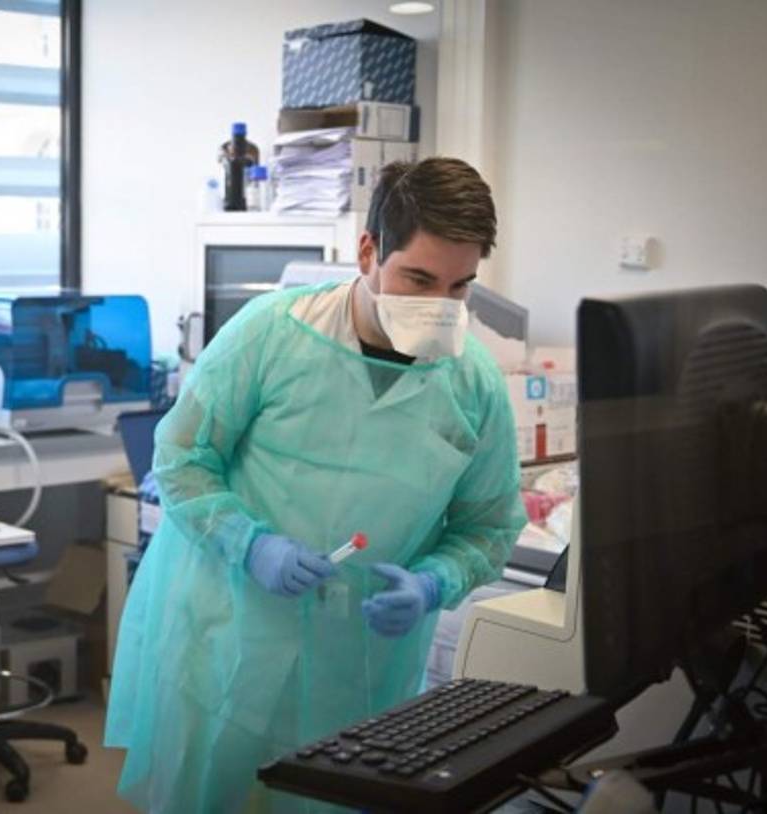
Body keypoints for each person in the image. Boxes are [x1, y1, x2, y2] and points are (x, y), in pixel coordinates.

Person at [104, 157, 528, 813]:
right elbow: (181, 457)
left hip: (359, 663)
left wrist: (433, 583)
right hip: (231, 635)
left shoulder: (471, 380)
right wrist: (251, 544)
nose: (437, 308)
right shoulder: (271, 334)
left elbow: (489, 525)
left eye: (459, 288)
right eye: (418, 279)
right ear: (368, 251)